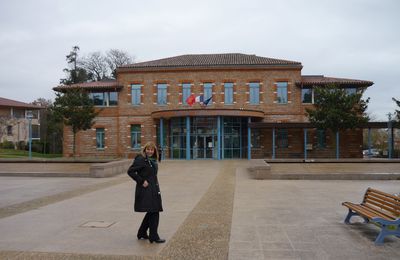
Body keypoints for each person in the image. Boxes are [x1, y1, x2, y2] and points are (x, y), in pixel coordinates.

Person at [127, 142, 165, 243]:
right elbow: (130, 171)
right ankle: (154, 236)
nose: (150, 151)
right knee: (154, 211)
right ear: (145, 150)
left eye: (152, 150)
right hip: (146, 189)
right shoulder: (141, 159)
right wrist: (141, 181)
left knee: (152, 210)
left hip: (153, 188)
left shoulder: (152, 161)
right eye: (148, 149)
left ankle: (142, 233)